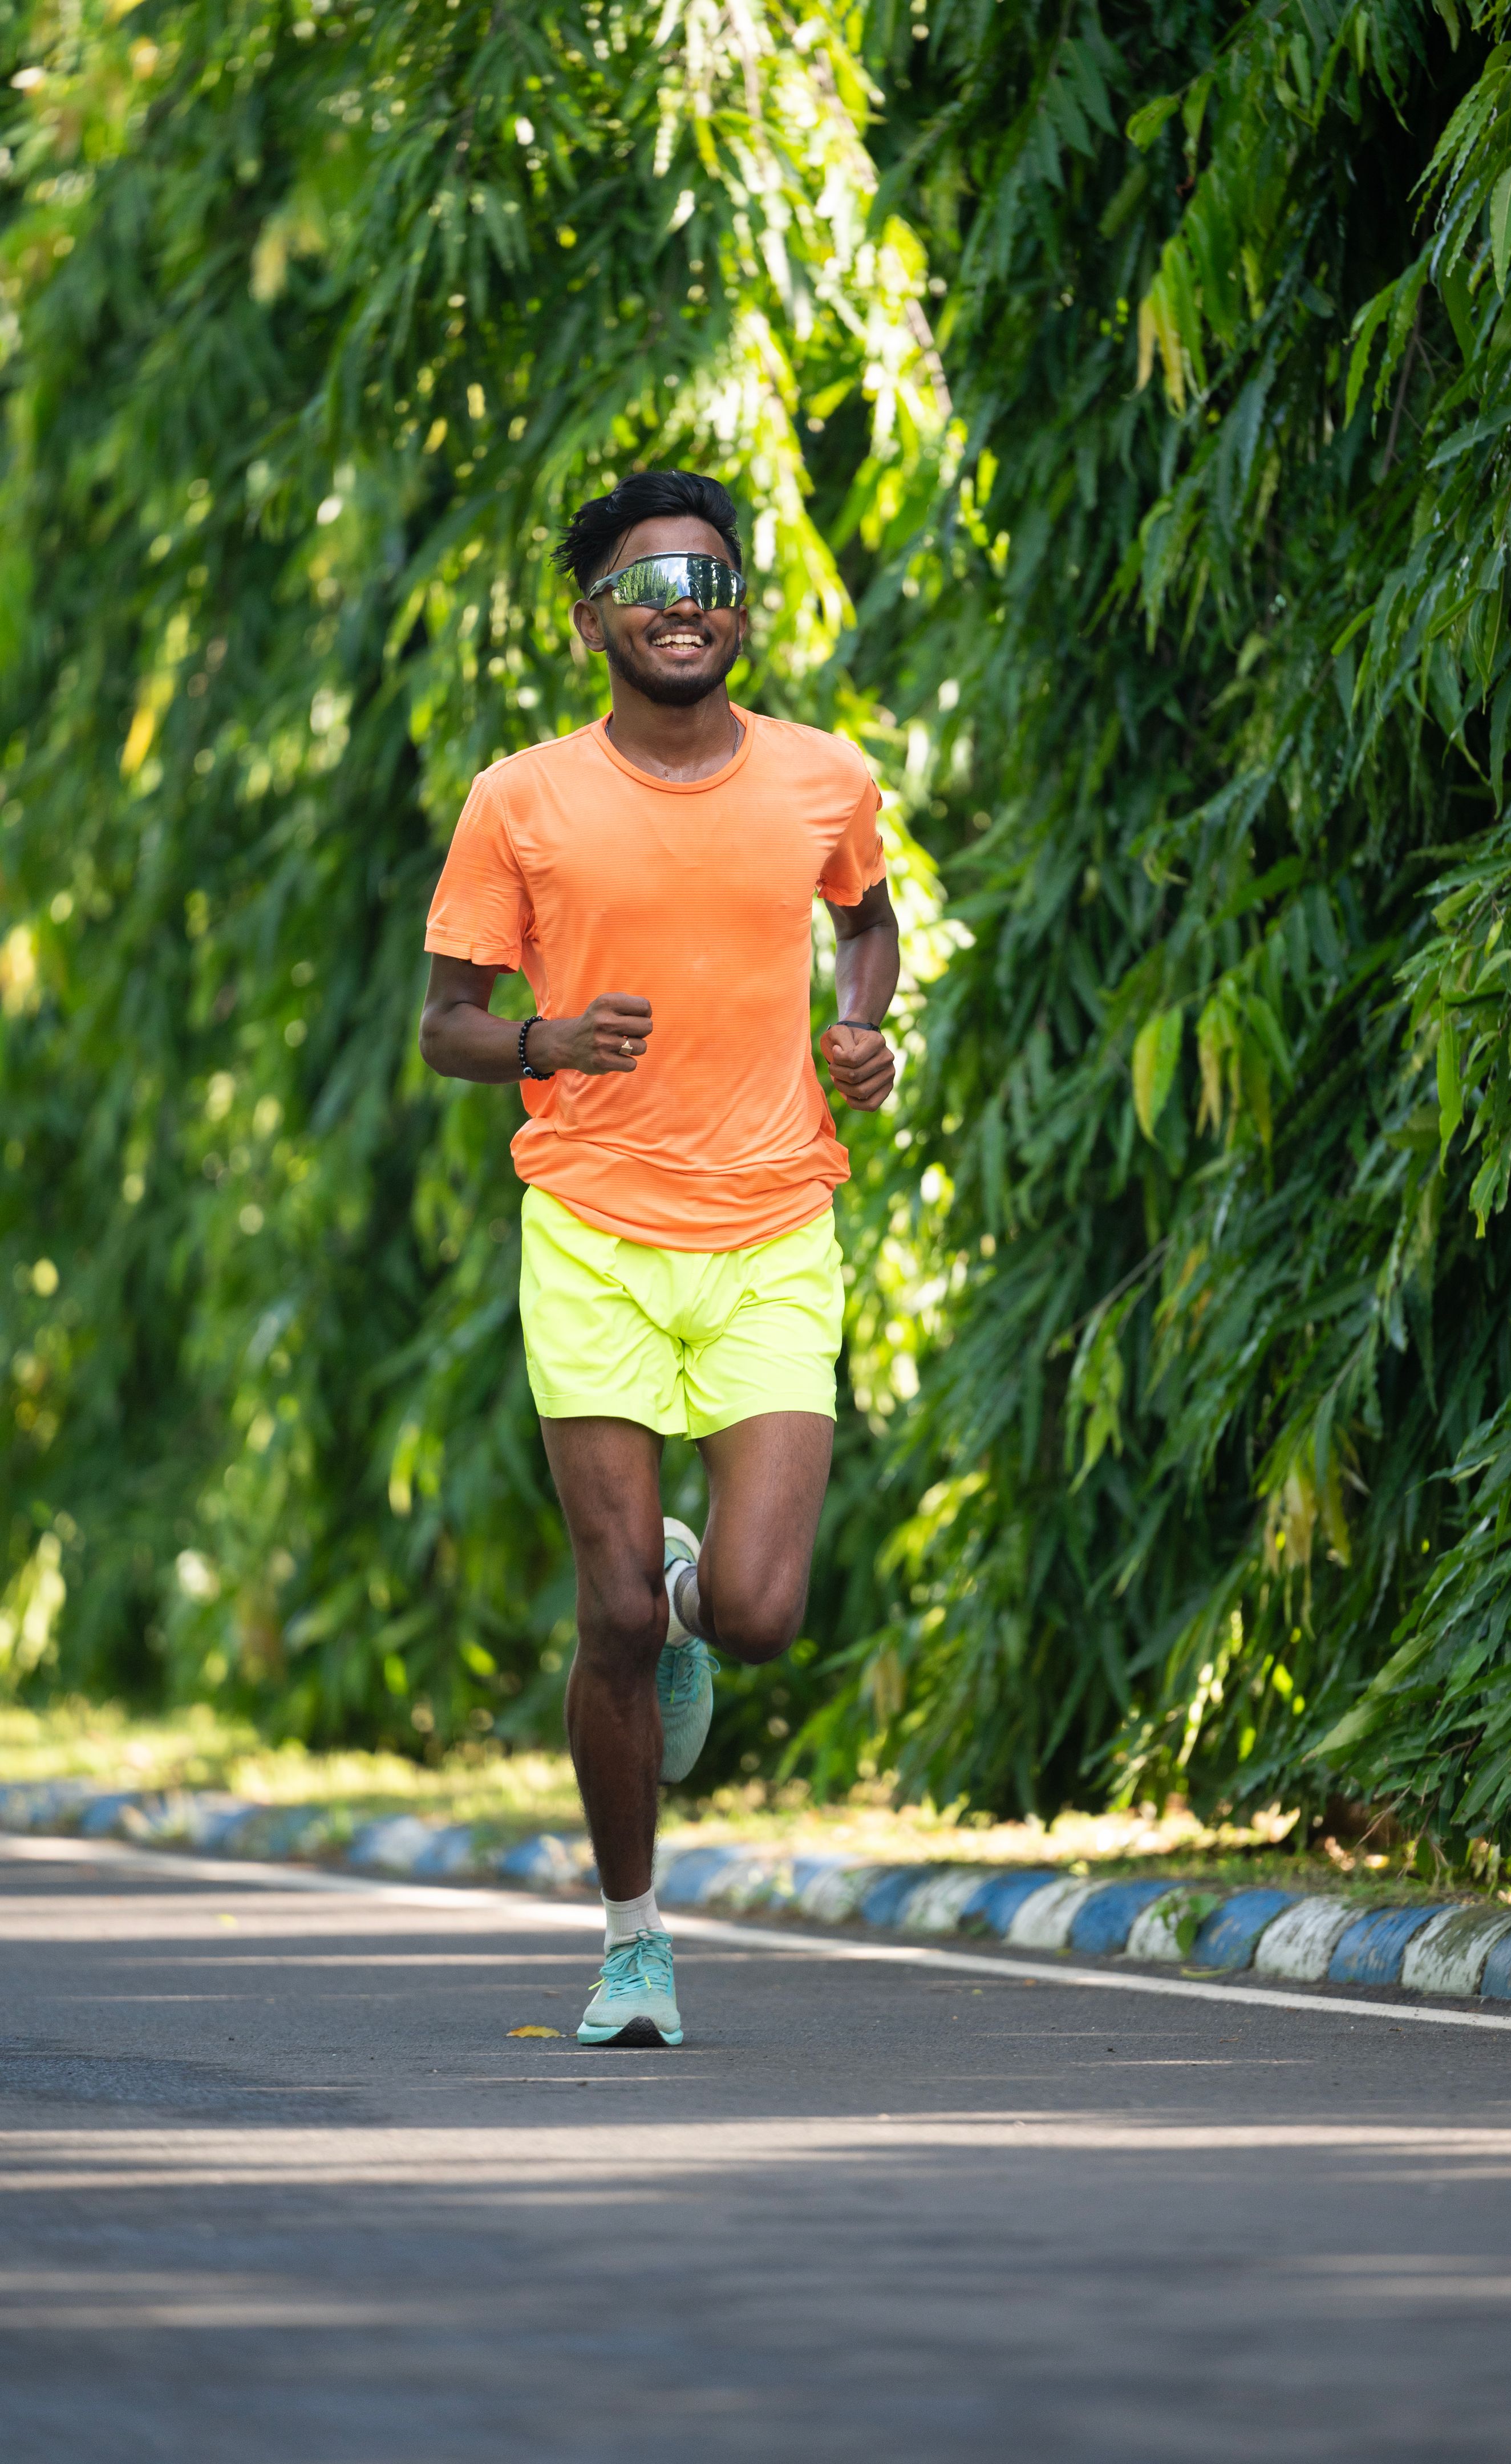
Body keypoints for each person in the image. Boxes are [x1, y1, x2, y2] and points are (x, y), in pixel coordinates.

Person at [418, 469, 899, 2047]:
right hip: (592, 1239)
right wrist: (548, 1037)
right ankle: (634, 1944)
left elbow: (866, 917)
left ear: (741, 611)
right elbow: (446, 1026)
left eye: (709, 585)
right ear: (592, 622)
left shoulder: (822, 779)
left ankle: (698, 1601)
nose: (684, 612)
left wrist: (863, 1026)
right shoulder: (522, 799)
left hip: (773, 1231)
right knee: (609, 1613)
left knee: (752, 1612)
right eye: (652, 588)